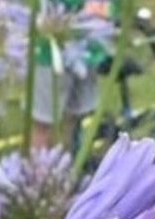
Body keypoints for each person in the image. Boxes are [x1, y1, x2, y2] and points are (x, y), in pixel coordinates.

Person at [31, 0, 117, 149]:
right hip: (50, 53)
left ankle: (63, 162)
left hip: (89, 49)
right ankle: (36, 166)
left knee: (74, 117)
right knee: (44, 123)